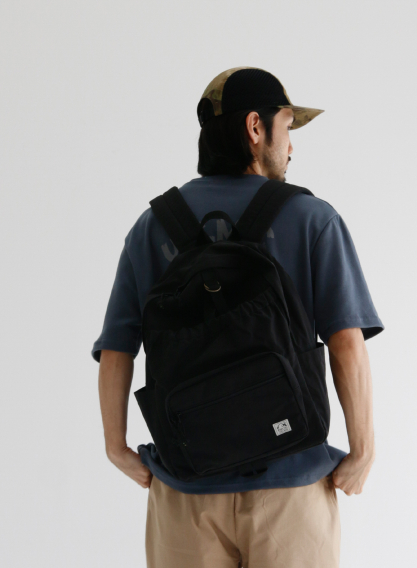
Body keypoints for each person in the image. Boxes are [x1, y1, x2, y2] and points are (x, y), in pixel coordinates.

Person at [93, 66, 385, 568]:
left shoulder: (152, 226)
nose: (291, 146)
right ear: (255, 128)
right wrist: (362, 451)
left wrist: (116, 446)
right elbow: (346, 342)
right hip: (292, 485)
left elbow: (117, 348)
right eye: (287, 127)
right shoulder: (312, 218)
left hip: (185, 488)